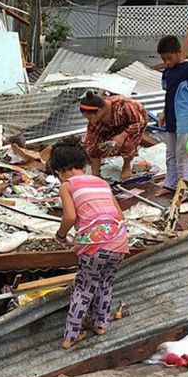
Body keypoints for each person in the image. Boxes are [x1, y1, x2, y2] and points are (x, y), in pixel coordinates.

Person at [51, 138, 129, 350]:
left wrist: (60, 236)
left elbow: (69, 217)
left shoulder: (67, 185)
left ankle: (71, 336)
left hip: (95, 246)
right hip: (119, 242)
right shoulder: (101, 182)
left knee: (83, 288)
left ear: (58, 171)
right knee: (105, 282)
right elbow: (120, 215)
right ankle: (100, 324)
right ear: (83, 165)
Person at [157, 35, 188, 192]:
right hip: (171, 116)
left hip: (185, 117)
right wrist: (164, 112)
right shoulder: (167, 72)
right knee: (170, 152)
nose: (167, 62)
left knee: (183, 153)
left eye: (169, 58)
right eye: (164, 59)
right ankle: (170, 184)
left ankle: (185, 184)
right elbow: (168, 94)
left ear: (179, 52)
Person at [80, 91, 148, 181]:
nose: (90, 121)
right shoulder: (95, 121)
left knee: (127, 144)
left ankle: (126, 166)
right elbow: (91, 142)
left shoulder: (123, 105)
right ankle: (96, 173)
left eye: (90, 118)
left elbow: (139, 122)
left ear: (99, 111)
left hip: (133, 124)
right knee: (91, 145)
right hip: (109, 127)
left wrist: (122, 136)